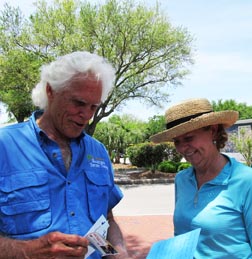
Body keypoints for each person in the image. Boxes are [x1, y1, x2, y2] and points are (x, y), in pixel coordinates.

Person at [0, 51, 131, 259]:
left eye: (94, 107)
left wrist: (117, 252)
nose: (87, 115)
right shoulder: (5, 145)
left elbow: (106, 221)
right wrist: (29, 251)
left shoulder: (98, 152)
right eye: (79, 103)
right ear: (51, 91)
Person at [150, 98, 252, 259]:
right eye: (177, 141)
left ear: (212, 130)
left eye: (189, 138)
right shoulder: (182, 179)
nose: (183, 148)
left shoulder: (246, 181)